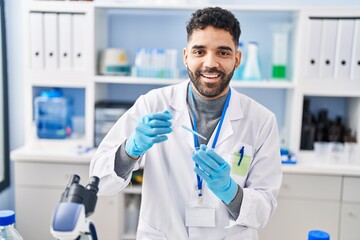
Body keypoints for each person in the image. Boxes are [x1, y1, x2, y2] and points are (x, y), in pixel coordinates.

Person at [90, 6, 282, 240]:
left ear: (237, 58)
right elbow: (99, 181)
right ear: (186, 56)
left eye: (222, 52)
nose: (210, 63)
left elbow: (264, 209)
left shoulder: (261, 121)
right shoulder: (153, 104)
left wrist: (229, 191)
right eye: (199, 51)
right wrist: (130, 150)